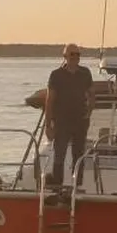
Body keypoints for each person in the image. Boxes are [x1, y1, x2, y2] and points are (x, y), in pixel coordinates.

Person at [45, 43, 95, 189]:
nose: (75, 57)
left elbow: (92, 93)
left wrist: (90, 110)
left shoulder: (85, 73)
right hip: (61, 121)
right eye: (72, 54)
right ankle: (57, 186)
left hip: (80, 121)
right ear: (65, 56)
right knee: (59, 154)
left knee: (79, 155)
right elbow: (50, 100)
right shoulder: (56, 75)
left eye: (78, 54)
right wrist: (48, 125)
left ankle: (77, 186)